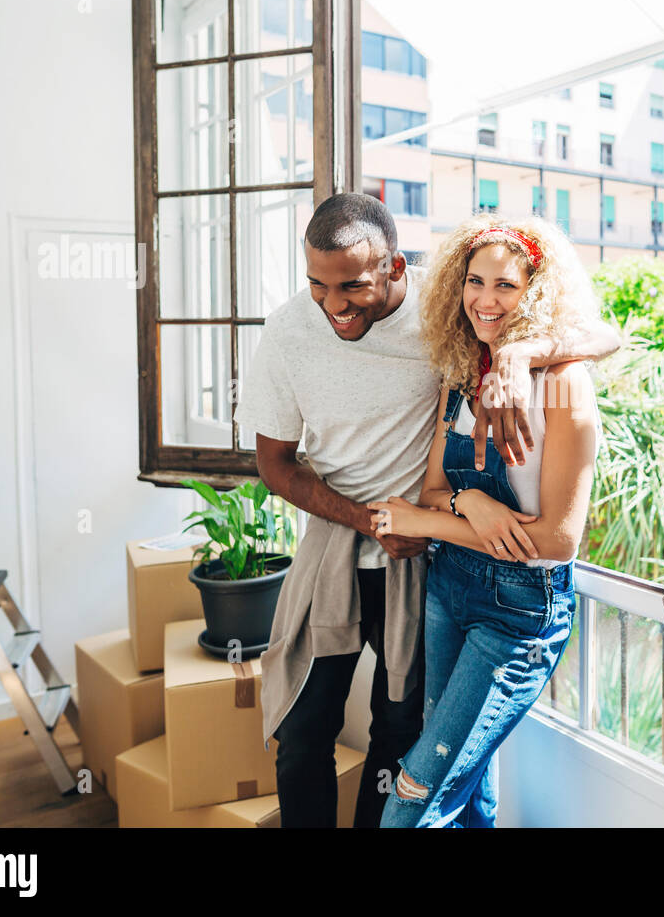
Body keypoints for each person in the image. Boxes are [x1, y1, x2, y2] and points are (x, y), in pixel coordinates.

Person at [233, 193, 619, 828]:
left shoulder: (453, 325)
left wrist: (522, 356)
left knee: (401, 731)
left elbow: (602, 333)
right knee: (303, 730)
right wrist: (378, 521)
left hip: (431, 564)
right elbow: (274, 465)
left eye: (351, 286)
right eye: (316, 286)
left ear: (395, 269)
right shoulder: (297, 332)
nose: (333, 306)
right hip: (343, 545)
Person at [371, 214, 602, 828]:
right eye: (475, 282)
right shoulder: (460, 376)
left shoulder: (563, 385)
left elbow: (556, 539)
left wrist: (425, 521)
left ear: (536, 293)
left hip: (519, 611)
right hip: (449, 591)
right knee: (467, 793)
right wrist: (466, 504)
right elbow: (434, 489)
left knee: (416, 793)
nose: (485, 300)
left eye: (506, 285)